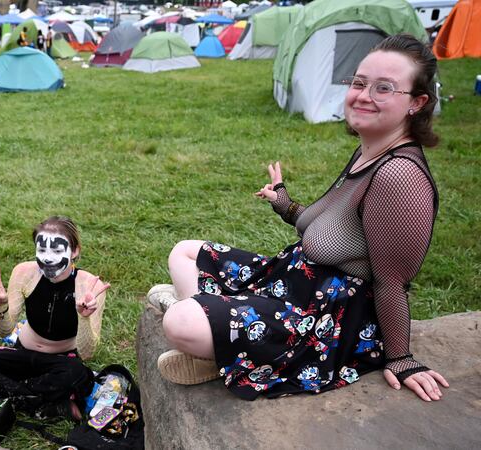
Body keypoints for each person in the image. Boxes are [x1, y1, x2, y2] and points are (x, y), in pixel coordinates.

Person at [152, 34, 449, 402]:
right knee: (184, 252)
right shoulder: (368, 151)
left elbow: (392, 281)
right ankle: (216, 340)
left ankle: (208, 339)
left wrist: (401, 358)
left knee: (177, 321)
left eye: (384, 88)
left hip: (319, 320)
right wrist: (285, 205)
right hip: (291, 282)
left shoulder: (399, 176)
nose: (363, 95)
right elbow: (332, 228)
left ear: (417, 104)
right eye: (358, 83)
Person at [0, 216, 110, 419]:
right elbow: (5, 331)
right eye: (42, 250)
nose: (48, 258)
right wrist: (1, 307)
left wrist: (84, 317)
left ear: (75, 250)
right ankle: (40, 401)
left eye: (57, 250)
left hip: (61, 362)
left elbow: (87, 353)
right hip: (22, 353)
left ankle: (13, 395)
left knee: (76, 374)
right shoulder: (24, 272)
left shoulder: (90, 286)